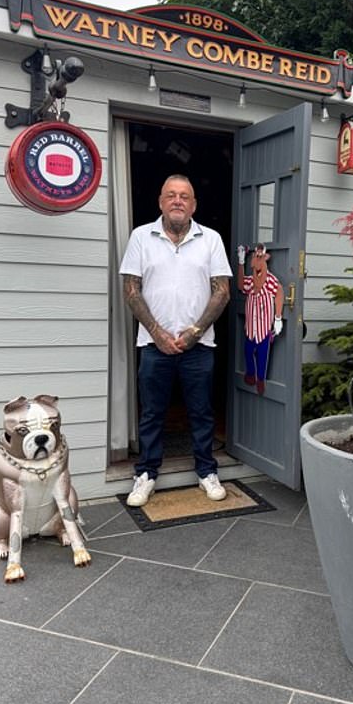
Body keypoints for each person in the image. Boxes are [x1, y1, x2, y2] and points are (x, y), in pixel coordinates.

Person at [119, 175, 232, 507]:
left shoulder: (211, 239)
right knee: (152, 413)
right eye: (171, 195)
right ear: (161, 202)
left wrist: (194, 332)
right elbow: (131, 289)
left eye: (184, 196)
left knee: (201, 412)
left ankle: (206, 471)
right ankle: (146, 473)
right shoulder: (141, 237)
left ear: (193, 205)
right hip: (153, 345)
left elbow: (222, 292)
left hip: (199, 346)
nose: (178, 200)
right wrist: (158, 332)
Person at [236, 244, 283, 395]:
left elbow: (279, 293)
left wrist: (278, 318)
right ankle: (251, 373)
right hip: (251, 327)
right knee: (248, 351)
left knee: (262, 354)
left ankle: (261, 379)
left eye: (260, 257)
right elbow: (241, 285)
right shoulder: (251, 282)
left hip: (264, 327)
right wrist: (241, 262)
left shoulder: (270, 281)